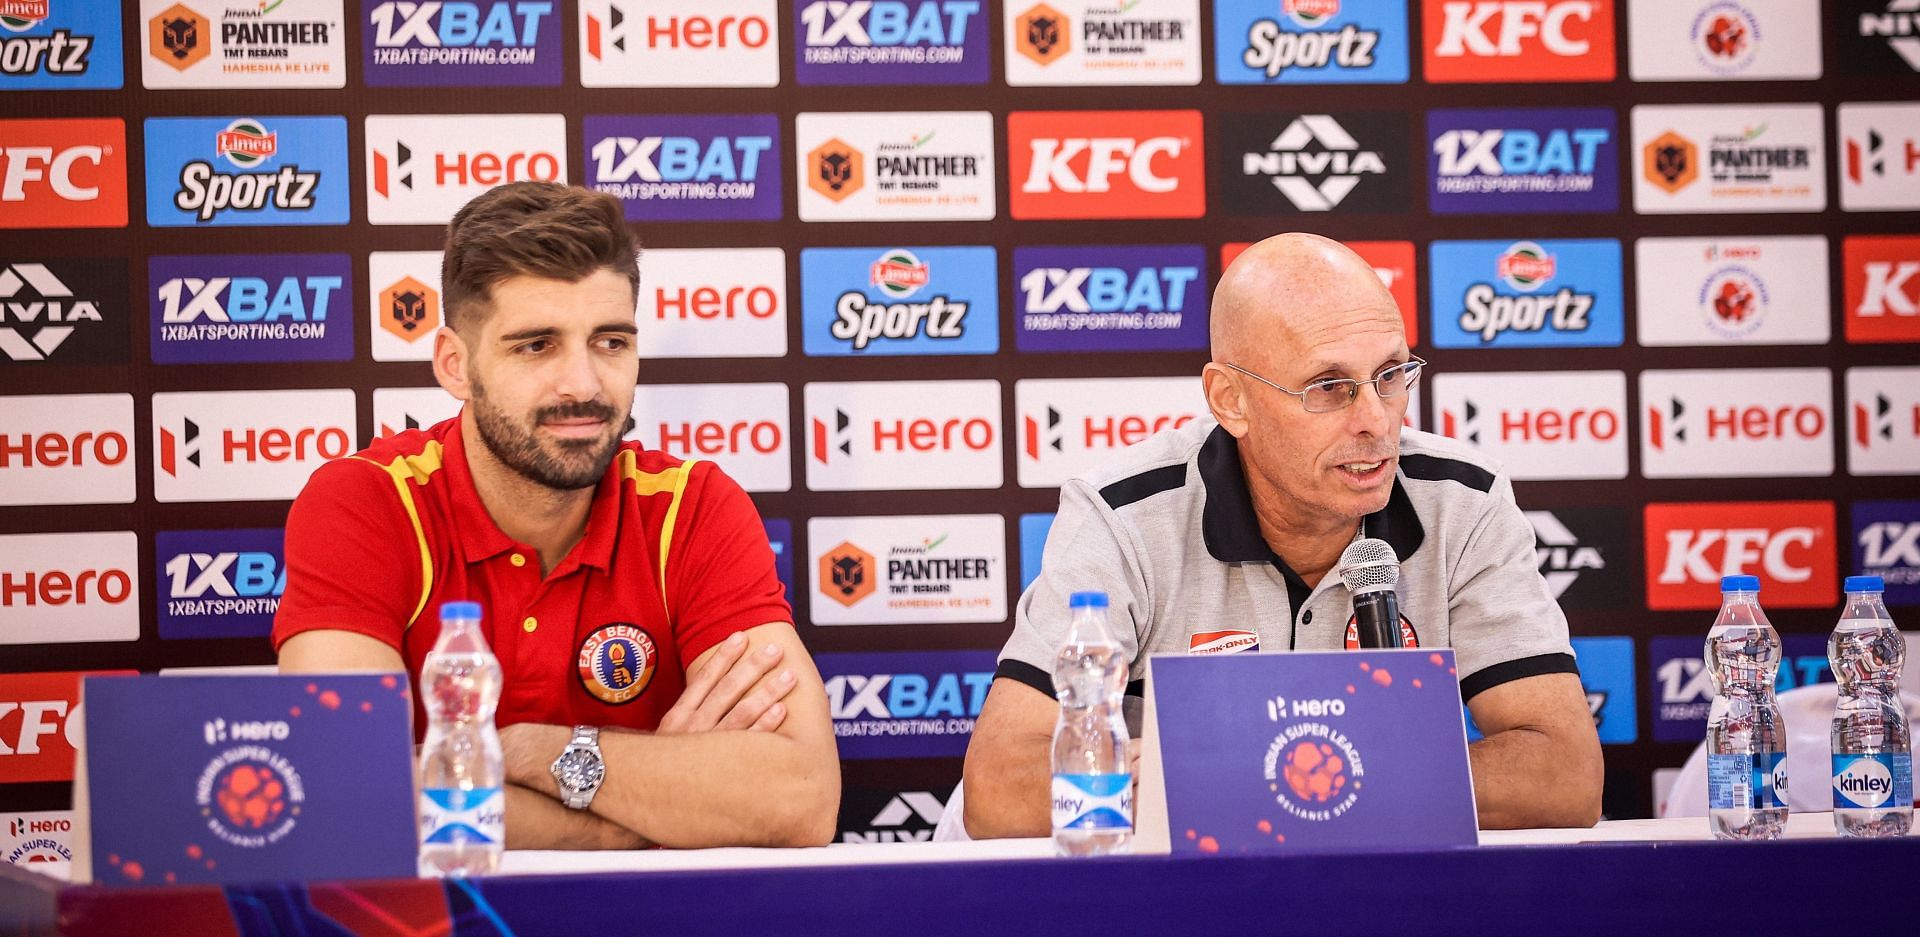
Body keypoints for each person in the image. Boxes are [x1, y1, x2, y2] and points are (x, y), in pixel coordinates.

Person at [962, 233, 1603, 837]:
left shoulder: (1462, 502)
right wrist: (1322, 772)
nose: (1375, 420)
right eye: (1329, 387)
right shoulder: (1126, 514)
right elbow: (1000, 789)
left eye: (1390, 375)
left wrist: (1263, 770)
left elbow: (1564, 777)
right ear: (1230, 400)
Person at [274, 182, 838, 849]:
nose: (585, 385)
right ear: (455, 364)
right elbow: (346, 794)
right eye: (537, 345)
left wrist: (539, 751)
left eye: (610, 341)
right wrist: (635, 818)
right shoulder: (364, 502)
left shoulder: (694, 507)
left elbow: (801, 798)